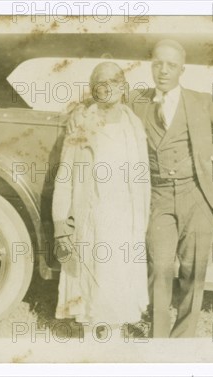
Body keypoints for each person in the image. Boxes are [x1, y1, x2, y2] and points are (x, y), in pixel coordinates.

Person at [69, 39, 213, 338]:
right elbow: (106, 102)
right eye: (157, 64)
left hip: (197, 196)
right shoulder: (138, 101)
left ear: (182, 69)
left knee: (194, 273)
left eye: (170, 65)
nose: (163, 71)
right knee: (160, 269)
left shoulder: (201, 101)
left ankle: (183, 338)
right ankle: (159, 340)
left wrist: (209, 158)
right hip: (159, 196)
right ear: (151, 66)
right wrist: (81, 110)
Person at [52, 62, 151, 338]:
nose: (108, 88)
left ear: (123, 87)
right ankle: (91, 340)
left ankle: (115, 337)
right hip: (91, 216)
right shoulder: (81, 124)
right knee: (91, 278)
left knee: (120, 277)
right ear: (93, 90)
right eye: (100, 83)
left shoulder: (134, 125)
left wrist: (142, 220)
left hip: (125, 217)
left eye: (114, 82)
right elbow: (65, 175)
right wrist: (61, 224)